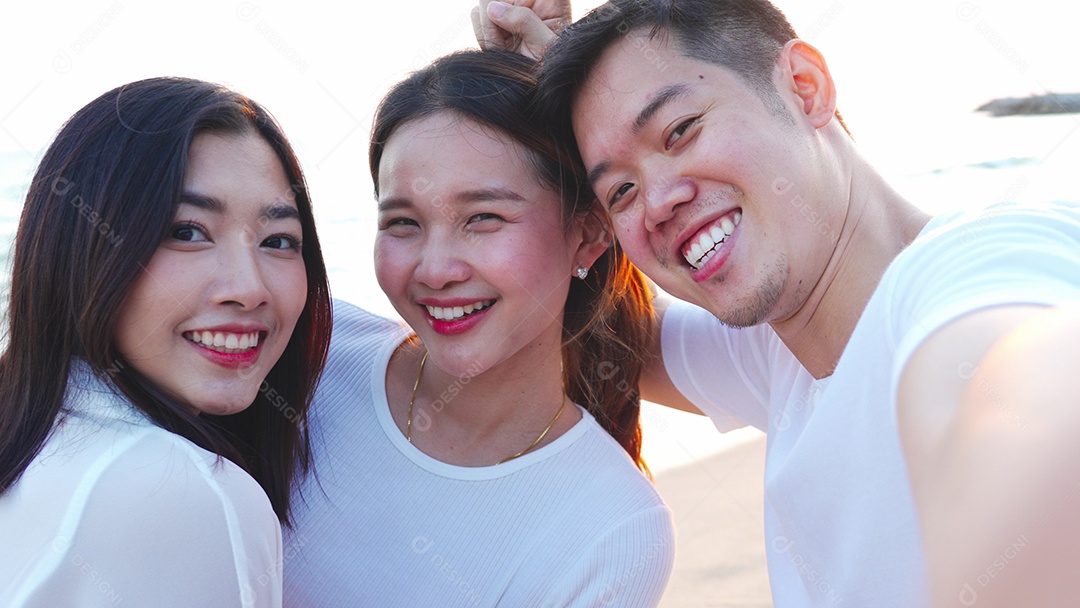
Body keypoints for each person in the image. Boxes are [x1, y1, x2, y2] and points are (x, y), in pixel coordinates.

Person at [481, 0, 1080, 606]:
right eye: (621, 191)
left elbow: (1032, 377)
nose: (658, 200)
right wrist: (517, 111)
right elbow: (606, 334)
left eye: (680, 131)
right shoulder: (780, 353)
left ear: (804, 87)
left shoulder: (976, 271)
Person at [283, 50, 674, 606]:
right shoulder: (307, 353)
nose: (437, 270)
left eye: (483, 218)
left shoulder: (611, 527)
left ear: (587, 235)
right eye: (403, 223)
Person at [0, 77, 334, 607]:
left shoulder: (33, 432)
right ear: (80, 247)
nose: (248, 289)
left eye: (278, 241)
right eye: (187, 231)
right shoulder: (185, 493)